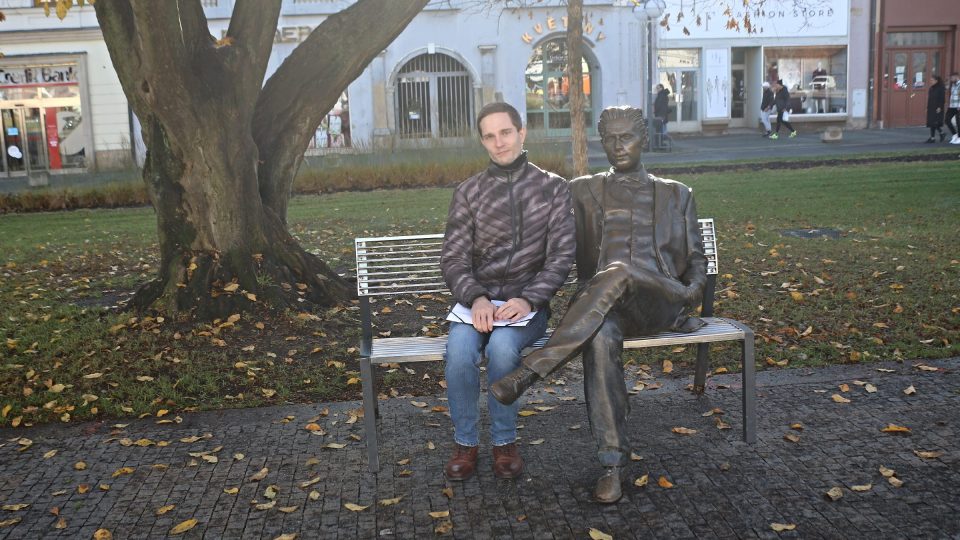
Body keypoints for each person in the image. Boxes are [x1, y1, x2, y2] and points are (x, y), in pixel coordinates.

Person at [490, 106, 707, 503]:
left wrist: (689, 292)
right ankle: (612, 464)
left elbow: (697, 266)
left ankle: (531, 373)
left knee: (621, 269)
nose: (618, 145)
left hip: (661, 303)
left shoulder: (677, 193)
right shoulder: (582, 190)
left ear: (644, 139)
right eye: (609, 138)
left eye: (627, 137)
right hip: (606, 309)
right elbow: (545, 233)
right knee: (601, 334)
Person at [440, 102, 576, 481]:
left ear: (522, 132)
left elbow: (561, 257)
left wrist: (529, 298)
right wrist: (476, 297)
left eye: (505, 132)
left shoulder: (552, 189)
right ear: (482, 142)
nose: (498, 142)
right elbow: (452, 259)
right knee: (460, 351)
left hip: (526, 306)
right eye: (489, 136)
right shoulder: (469, 192)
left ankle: (504, 442)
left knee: (502, 348)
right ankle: (465, 443)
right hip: (476, 305)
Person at [925, 75, 946, 143]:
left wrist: (939, 107)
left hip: (937, 107)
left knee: (935, 122)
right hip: (931, 107)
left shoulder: (941, 88)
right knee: (931, 123)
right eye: (930, 80)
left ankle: (941, 133)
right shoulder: (931, 88)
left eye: (932, 80)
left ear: (936, 81)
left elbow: (942, 99)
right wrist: (927, 107)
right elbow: (929, 98)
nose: (931, 81)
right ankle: (932, 138)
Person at [947, 72, 960, 144]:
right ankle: (955, 135)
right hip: (952, 106)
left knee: (958, 122)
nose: (951, 79)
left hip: (958, 106)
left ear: (956, 76)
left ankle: (959, 137)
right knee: (947, 120)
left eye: (952, 78)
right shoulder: (953, 85)